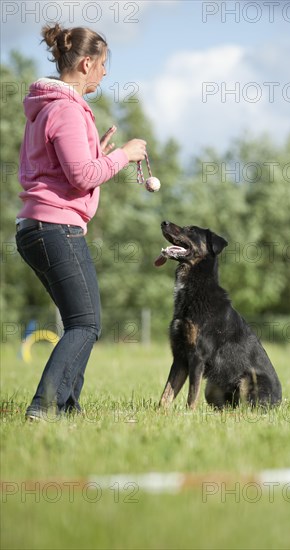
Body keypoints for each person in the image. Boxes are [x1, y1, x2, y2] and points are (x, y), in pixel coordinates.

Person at [16, 24, 147, 421]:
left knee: (81, 322)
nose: (105, 73)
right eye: (103, 64)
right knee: (86, 324)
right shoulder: (68, 109)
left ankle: (68, 410)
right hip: (57, 229)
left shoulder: (47, 107)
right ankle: (44, 408)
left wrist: (97, 152)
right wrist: (122, 155)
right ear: (87, 63)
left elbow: (65, 167)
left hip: (35, 229)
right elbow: (82, 177)